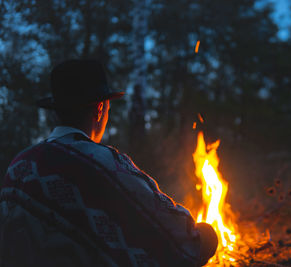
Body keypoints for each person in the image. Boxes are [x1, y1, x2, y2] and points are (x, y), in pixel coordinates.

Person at [0, 59, 217, 267]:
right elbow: (181, 242)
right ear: (100, 109)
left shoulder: (19, 164)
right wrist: (207, 234)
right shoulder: (102, 164)